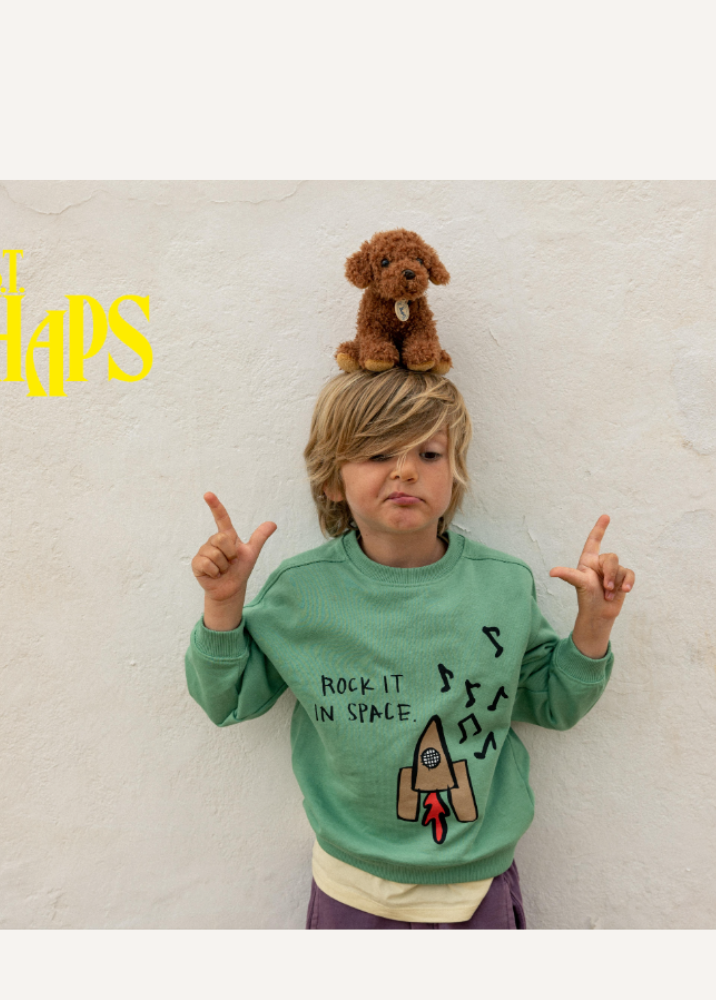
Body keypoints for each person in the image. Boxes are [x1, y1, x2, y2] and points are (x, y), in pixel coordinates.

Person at [185, 369, 635, 929]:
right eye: (376, 453)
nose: (404, 470)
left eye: (428, 453)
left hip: (478, 884)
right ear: (331, 481)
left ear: (455, 473)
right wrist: (223, 605)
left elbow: (554, 703)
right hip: (351, 885)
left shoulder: (502, 585)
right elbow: (226, 700)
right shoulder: (301, 593)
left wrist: (594, 624)